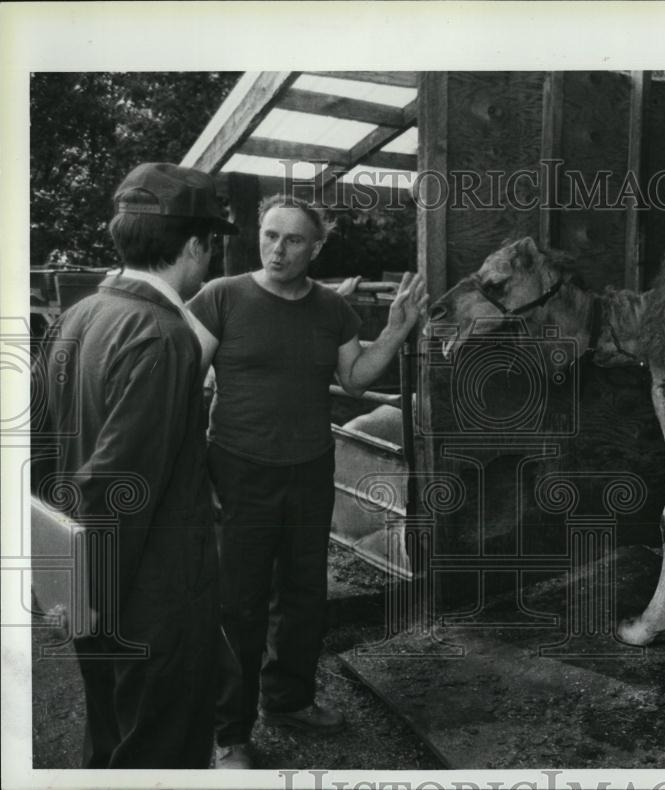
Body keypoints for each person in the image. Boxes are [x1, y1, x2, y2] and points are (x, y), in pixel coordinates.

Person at [187, 194, 427, 769]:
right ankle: (230, 733)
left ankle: (288, 700)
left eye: (294, 240)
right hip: (240, 469)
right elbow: (184, 384)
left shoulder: (330, 310)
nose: (277, 248)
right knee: (239, 605)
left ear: (316, 247)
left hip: (311, 468)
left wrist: (394, 331)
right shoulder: (221, 297)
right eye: (270, 235)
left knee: (303, 597)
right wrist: (196, 467)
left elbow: (357, 376)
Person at [31, 163, 238, 768]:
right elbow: (117, 484)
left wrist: (64, 584)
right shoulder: (163, 333)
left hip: (89, 578)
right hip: (149, 599)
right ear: (197, 246)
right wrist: (92, 596)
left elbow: (44, 452)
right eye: (212, 244)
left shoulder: (77, 315)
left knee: (109, 737)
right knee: (158, 752)